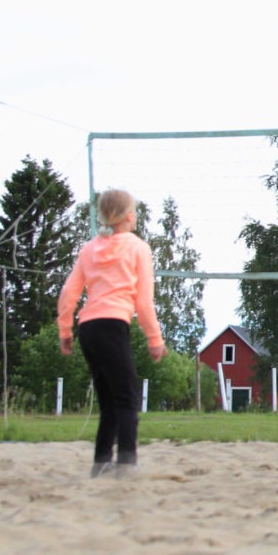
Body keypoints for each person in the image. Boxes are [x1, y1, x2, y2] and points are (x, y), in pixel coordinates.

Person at [58, 189, 167, 477]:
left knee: (109, 401)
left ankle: (101, 462)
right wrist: (155, 339)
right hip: (113, 325)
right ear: (129, 216)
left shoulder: (89, 249)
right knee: (126, 399)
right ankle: (127, 464)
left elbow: (69, 293)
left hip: (88, 329)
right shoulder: (138, 248)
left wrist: (65, 330)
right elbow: (143, 301)